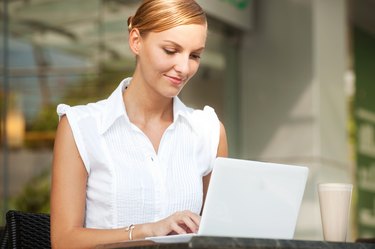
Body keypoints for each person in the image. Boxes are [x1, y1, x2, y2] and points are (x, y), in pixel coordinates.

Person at [50, 0, 228, 248]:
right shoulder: (81, 126)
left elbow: (220, 236)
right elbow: (64, 241)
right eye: (170, 50)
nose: (184, 68)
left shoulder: (208, 131)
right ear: (136, 41)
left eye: (195, 55)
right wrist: (149, 230)